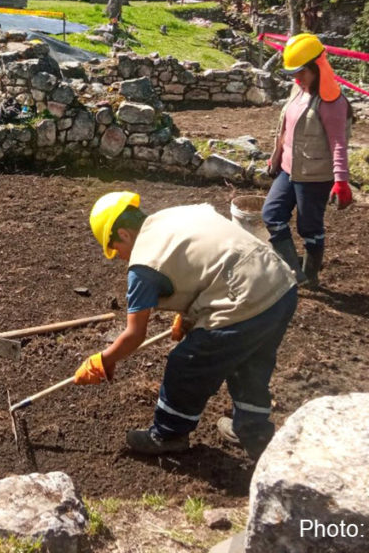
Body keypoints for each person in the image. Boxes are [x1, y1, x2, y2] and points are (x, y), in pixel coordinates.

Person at [75, 191, 298, 459]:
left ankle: (168, 434)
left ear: (123, 234)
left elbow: (134, 334)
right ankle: (252, 430)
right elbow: (207, 260)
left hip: (245, 299)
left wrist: (103, 360)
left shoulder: (143, 266)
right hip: (280, 284)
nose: (119, 258)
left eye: (115, 250)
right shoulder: (175, 215)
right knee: (251, 360)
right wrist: (191, 316)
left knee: (187, 364)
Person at [263, 33, 352, 289]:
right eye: (293, 73)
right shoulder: (297, 90)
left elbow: (339, 144)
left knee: (309, 227)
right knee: (272, 214)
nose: (296, 78)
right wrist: (276, 157)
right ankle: (293, 271)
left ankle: (310, 276)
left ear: (317, 67)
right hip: (289, 170)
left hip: (315, 175)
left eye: (302, 72)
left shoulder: (332, 103)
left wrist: (341, 181)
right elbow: (286, 129)